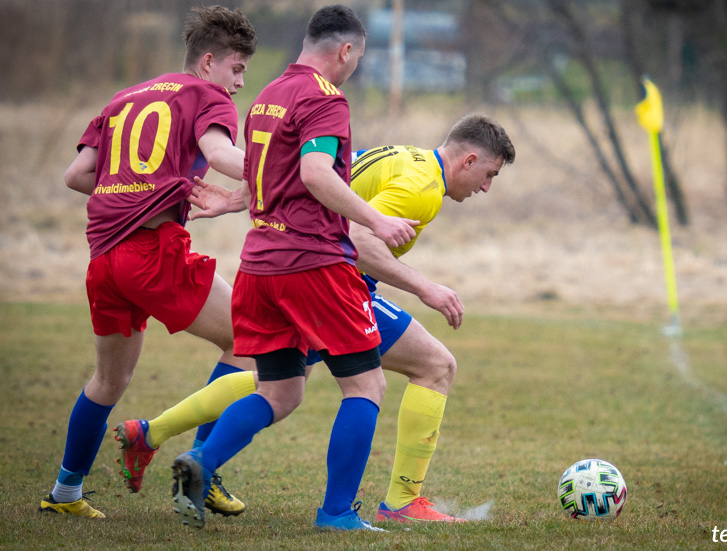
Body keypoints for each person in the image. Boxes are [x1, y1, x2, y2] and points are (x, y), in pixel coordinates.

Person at [181, 113, 516, 524]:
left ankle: (163, 440)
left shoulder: (403, 155)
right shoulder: (423, 187)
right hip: (331, 281)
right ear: (468, 160)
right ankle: (375, 507)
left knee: (277, 388)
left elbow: (315, 179)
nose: (486, 186)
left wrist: (240, 199)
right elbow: (358, 242)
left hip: (278, 265)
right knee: (398, 376)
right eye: (489, 174)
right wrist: (426, 287)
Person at [170, 5, 418, 532]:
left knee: (278, 392)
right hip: (313, 263)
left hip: (258, 265)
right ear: (345, 51)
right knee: (366, 387)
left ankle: (204, 459)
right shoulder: (326, 98)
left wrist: (236, 202)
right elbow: (313, 173)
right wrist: (378, 221)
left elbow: (267, 172)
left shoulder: (267, 96)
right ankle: (336, 514)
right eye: (357, 58)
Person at [38, 6, 258, 519]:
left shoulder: (124, 98)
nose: (240, 83)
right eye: (237, 69)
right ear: (209, 62)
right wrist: (286, 170)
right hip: (149, 254)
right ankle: (204, 469)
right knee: (248, 339)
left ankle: (66, 492)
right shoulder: (208, 97)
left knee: (107, 383)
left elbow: (76, 175)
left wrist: (137, 192)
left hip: (105, 260)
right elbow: (221, 154)